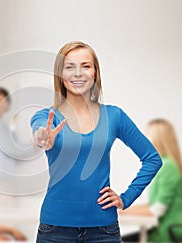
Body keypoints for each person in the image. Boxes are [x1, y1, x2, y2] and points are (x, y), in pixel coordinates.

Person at [30, 41, 162, 242]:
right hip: (55, 231)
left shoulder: (114, 116)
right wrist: (42, 138)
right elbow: (39, 134)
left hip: (103, 231)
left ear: (95, 73)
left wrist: (126, 198)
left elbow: (152, 158)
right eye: (69, 67)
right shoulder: (47, 117)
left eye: (85, 66)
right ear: (60, 75)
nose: (78, 73)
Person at [121, 119, 182, 242]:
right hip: (161, 230)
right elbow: (153, 204)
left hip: (168, 233)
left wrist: (120, 212)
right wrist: (122, 209)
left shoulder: (168, 167)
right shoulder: (164, 164)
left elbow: (157, 210)